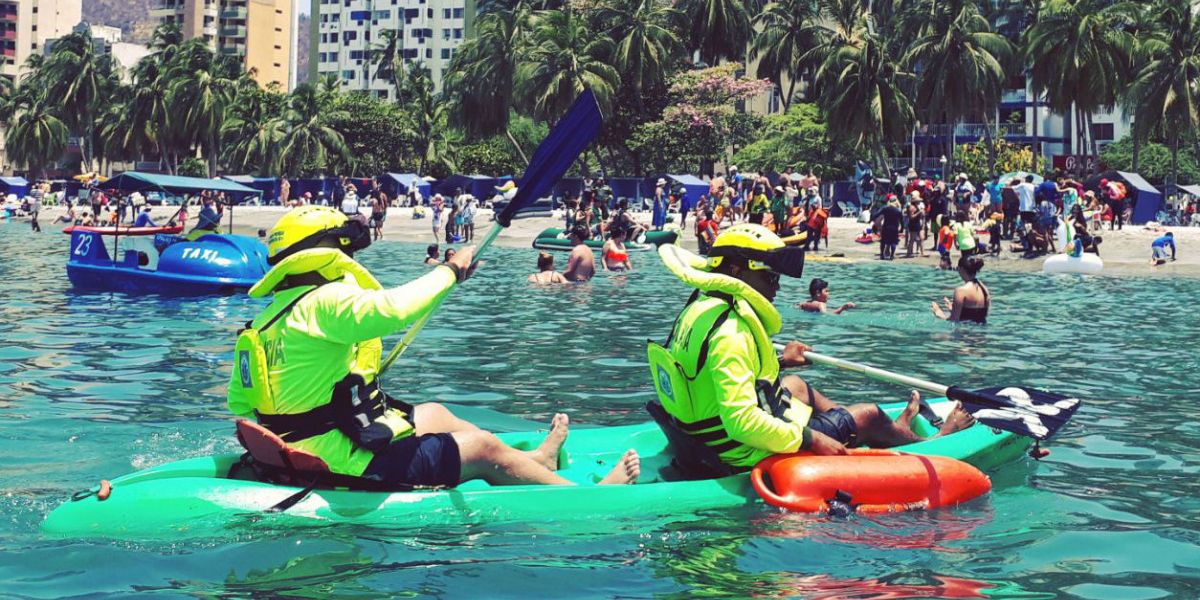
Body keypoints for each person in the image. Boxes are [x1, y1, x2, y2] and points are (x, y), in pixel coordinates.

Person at [228, 206, 638, 489]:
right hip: (343, 463)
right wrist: (451, 269)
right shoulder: (324, 301)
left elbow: (244, 406)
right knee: (482, 448)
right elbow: (395, 309)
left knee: (435, 414)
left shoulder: (267, 320)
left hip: (310, 447)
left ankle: (535, 461)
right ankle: (583, 493)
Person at [650, 224, 976, 469]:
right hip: (738, 451)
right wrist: (813, 438)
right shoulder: (733, 331)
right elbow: (742, 422)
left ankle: (873, 430)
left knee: (795, 385)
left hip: (703, 437)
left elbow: (714, 374)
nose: (777, 286)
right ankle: (930, 441)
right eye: (770, 276)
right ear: (735, 271)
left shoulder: (701, 306)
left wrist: (781, 361)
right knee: (870, 414)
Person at [932, 255, 990, 324]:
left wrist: (939, 313)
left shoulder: (961, 291)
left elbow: (954, 321)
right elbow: (979, 317)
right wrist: (954, 310)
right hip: (982, 334)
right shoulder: (985, 289)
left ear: (961, 269)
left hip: (965, 333)